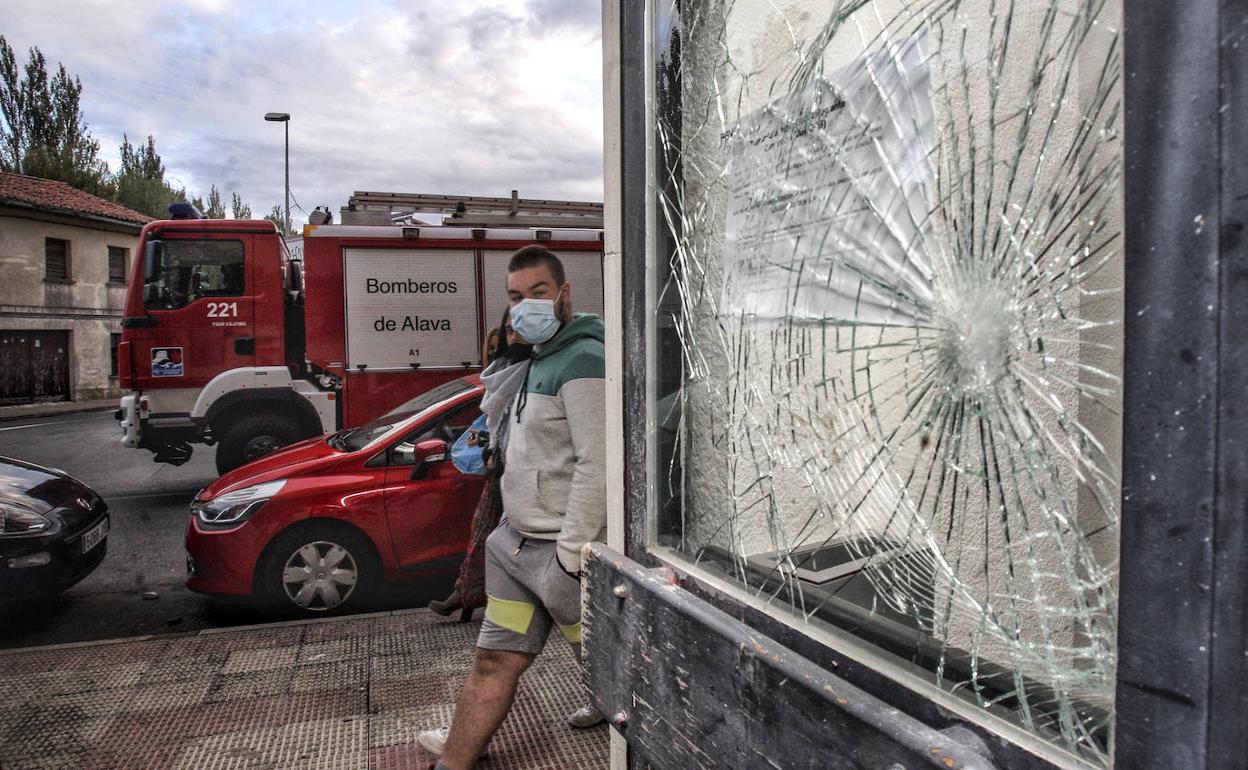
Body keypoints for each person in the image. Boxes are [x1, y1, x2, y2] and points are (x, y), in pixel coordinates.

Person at [418, 246, 607, 769]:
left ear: (564, 295)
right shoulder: (534, 359)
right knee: (492, 661)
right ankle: (454, 760)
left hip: (562, 554)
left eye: (538, 293)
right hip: (514, 545)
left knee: (610, 668)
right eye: (516, 297)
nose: (526, 306)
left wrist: (571, 560)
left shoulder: (585, 359)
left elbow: (600, 465)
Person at [428, 311, 529, 619]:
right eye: (508, 332)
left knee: (510, 542)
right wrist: (490, 449)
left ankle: (477, 597)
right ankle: (467, 594)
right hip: (500, 468)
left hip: (524, 472)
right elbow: (496, 423)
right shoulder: (501, 373)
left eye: (517, 331)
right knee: (483, 532)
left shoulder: (533, 372)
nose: (512, 338)